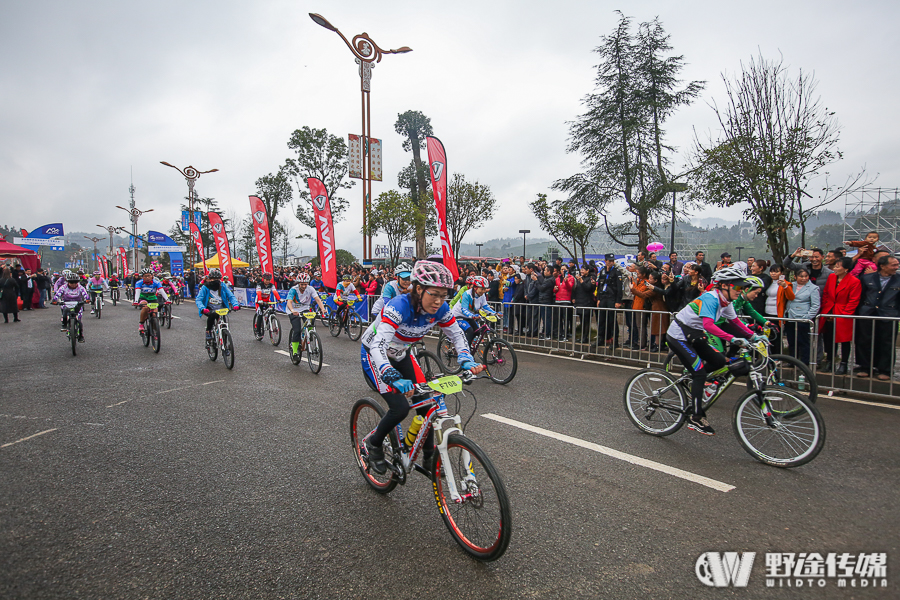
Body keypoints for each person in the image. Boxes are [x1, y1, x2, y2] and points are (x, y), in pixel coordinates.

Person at [360, 261, 483, 475]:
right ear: (418, 289)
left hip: (402, 353)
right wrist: (390, 374)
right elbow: (378, 345)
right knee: (400, 408)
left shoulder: (441, 308)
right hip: (375, 354)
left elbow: (456, 333)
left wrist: (466, 358)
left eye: (443, 295)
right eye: (434, 294)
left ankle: (429, 457)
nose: (438, 301)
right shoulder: (399, 306)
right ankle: (374, 443)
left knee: (427, 405)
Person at [665, 267, 763, 435]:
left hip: (694, 334)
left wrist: (754, 337)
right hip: (679, 336)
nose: (741, 291)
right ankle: (696, 417)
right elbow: (709, 325)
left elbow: (735, 322)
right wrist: (732, 339)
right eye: (738, 287)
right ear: (724, 286)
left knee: (719, 361)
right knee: (700, 374)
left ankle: (691, 379)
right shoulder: (711, 298)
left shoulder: (727, 301)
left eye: (743, 288)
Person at [854, 254, 900, 380]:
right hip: (868, 314)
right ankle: (865, 367)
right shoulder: (867, 278)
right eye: (893, 265)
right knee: (864, 340)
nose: (896, 267)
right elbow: (861, 296)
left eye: (897, 264)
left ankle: (885, 369)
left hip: (888, 315)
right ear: (883, 266)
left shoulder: (898, 279)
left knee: (886, 343)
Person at [818, 257, 861, 375]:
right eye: (835, 266)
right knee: (829, 338)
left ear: (846, 269)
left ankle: (844, 364)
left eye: (838, 266)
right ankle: (830, 361)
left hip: (844, 313)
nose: (835, 268)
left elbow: (853, 300)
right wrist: (827, 308)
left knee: (844, 340)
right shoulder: (832, 277)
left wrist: (843, 315)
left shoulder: (854, 281)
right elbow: (826, 293)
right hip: (829, 310)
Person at [285, 272, 327, 359]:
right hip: (293, 310)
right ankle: (295, 352)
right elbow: (289, 302)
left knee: (311, 320)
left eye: (305, 284)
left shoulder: (310, 289)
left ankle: (308, 334)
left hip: (305, 309)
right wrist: (292, 310)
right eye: (302, 284)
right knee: (296, 330)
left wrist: (322, 309)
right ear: (298, 283)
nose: (304, 286)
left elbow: (318, 299)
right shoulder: (293, 289)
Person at [783, 268, 821, 366]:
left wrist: (808, 316)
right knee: (791, 340)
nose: (804, 278)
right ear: (795, 277)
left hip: (803, 317)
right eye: (801, 276)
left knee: (803, 341)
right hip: (790, 316)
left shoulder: (813, 288)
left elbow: (815, 305)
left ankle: (805, 362)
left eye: (806, 276)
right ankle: (792, 361)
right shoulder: (791, 285)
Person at [195, 269, 240, 342]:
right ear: (210, 279)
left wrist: (235, 305)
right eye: (213, 279)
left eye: (217, 279)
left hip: (221, 308)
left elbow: (231, 296)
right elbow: (198, 299)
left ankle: (225, 343)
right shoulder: (205, 287)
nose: (215, 281)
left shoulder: (222, 285)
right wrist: (202, 308)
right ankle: (208, 331)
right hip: (209, 309)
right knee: (212, 317)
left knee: (224, 324)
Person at [451, 276, 498, 346]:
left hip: (470, 316)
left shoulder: (482, 295)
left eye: (485, 289)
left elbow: (485, 307)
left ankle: (469, 345)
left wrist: (495, 313)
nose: (484, 291)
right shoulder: (467, 294)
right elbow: (464, 309)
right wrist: (472, 316)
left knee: (478, 332)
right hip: (458, 315)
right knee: (470, 331)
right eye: (482, 289)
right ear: (475, 288)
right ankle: (465, 351)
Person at [51, 271, 91, 341]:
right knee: (64, 312)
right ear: (67, 282)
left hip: (78, 303)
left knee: (79, 320)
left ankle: (81, 335)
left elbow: (85, 294)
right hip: (66, 303)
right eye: (71, 283)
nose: (73, 284)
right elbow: (58, 294)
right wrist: (54, 300)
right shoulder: (63, 287)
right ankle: (64, 325)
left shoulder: (80, 287)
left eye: (75, 282)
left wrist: (87, 299)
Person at [595, 254, 622, 347]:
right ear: (605, 261)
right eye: (609, 261)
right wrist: (598, 298)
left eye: (612, 261)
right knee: (601, 319)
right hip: (603, 297)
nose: (611, 262)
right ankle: (601, 338)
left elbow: (619, 288)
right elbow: (599, 286)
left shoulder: (616, 272)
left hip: (612, 298)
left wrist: (618, 301)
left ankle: (615, 341)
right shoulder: (602, 271)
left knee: (612, 320)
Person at [133, 268, 170, 335]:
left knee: (154, 315)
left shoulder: (156, 282)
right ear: (142, 277)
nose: (147, 277)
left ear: (152, 276)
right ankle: (141, 324)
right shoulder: (139, 283)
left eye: (149, 275)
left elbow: (162, 291)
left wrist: (167, 300)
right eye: (145, 276)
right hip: (143, 298)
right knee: (145, 308)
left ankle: (155, 331)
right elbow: (137, 292)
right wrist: (136, 301)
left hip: (153, 298)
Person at [572, 264, 596, 344]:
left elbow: (588, 288)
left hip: (587, 302)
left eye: (583, 269)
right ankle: (582, 336)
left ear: (587, 270)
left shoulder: (591, 278)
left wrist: (581, 281)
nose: (581, 271)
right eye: (581, 269)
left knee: (586, 321)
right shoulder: (580, 278)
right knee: (581, 320)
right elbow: (576, 289)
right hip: (579, 302)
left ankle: (585, 337)